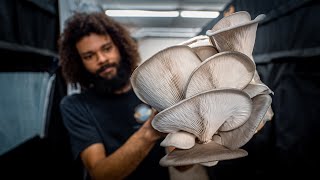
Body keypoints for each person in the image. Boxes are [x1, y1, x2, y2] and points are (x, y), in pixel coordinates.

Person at [58, 12, 170, 180]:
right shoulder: (75, 106)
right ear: (78, 63)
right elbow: (100, 174)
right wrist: (150, 131)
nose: (102, 59)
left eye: (107, 48)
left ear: (120, 46)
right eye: (89, 56)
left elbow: (183, 166)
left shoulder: (151, 89)